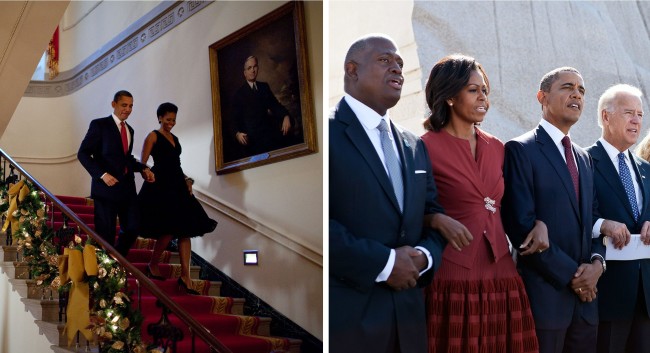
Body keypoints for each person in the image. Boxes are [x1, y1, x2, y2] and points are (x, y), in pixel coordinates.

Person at [329, 33, 447, 353]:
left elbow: (432, 215)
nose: (397, 68)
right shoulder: (328, 135)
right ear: (352, 70)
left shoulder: (414, 145)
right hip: (349, 319)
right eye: (385, 60)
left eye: (400, 62)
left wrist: (423, 258)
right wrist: (384, 263)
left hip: (408, 320)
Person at [420, 54, 541, 353]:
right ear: (449, 96)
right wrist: (433, 219)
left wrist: (539, 223)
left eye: (485, 90)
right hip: (453, 274)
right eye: (473, 90)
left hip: (502, 273)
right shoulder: (422, 147)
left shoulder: (498, 147)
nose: (483, 97)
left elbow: (512, 205)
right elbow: (411, 208)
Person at [501, 67, 608, 353]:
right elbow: (521, 225)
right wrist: (576, 276)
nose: (576, 94)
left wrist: (598, 264)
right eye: (567, 87)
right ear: (542, 97)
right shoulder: (519, 150)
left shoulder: (584, 158)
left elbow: (594, 221)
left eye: (582, 90)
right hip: (545, 299)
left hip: (586, 305)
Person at [585, 84, 650, 353]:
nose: (636, 120)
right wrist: (603, 225)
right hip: (607, 294)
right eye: (628, 113)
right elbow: (573, 216)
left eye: (640, 114)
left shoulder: (646, 168)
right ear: (605, 117)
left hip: (645, 297)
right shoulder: (583, 161)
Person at [137, 102, 217, 294]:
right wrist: (147, 176)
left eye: (173, 119)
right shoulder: (153, 136)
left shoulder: (176, 139)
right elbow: (142, 163)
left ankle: (186, 277)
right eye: (168, 119)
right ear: (159, 118)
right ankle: (153, 264)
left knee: (185, 231)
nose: (171, 123)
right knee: (167, 230)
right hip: (161, 185)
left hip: (178, 186)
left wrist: (187, 180)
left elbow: (177, 166)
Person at [78, 90, 155, 256]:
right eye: (124, 105)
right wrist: (102, 174)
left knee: (134, 227)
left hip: (127, 189)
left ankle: (115, 258)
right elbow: (83, 153)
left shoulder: (130, 130)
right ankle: (105, 269)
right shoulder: (99, 125)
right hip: (105, 189)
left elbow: (126, 158)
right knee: (105, 234)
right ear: (114, 104)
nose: (127, 109)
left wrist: (143, 168)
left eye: (131, 106)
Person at [231, 55, 292, 157]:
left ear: (258, 68)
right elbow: (233, 119)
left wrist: (286, 116)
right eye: (249, 68)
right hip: (251, 140)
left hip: (267, 135)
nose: (253, 70)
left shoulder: (264, 87)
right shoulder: (239, 94)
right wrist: (237, 134)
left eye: (255, 67)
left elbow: (275, 106)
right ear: (244, 73)